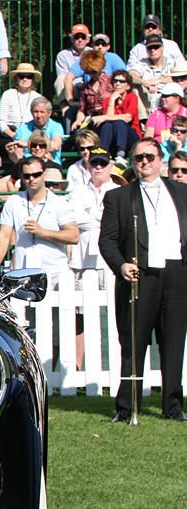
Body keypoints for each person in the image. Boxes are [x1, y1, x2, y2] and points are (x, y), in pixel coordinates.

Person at [99, 137, 187, 422]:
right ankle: (127, 408)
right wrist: (121, 265)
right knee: (133, 343)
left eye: (150, 156)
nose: (145, 162)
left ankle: (174, 407)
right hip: (139, 274)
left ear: (160, 160)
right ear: (133, 163)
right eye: (138, 158)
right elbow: (107, 241)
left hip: (176, 273)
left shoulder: (183, 192)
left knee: (174, 343)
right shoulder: (118, 197)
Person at [68, 148, 120, 368]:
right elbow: (75, 218)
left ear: (110, 166)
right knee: (80, 316)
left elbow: (115, 222)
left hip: (110, 263)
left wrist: (91, 214)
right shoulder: (77, 191)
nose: (98, 167)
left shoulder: (117, 190)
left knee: (111, 315)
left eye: (103, 163)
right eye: (95, 163)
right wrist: (100, 217)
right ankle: (82, 367)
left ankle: (111, 366)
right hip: (82, 263)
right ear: (88, 166)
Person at [0, 156, 79, 278]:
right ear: (21, 177)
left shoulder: (59, 203)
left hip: (54, 273)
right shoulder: (13, 201)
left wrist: (42, 232)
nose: (31, 179)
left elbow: (74, 236)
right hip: (22, 273)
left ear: (45, 175)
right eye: (26, 176)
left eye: (36, 175)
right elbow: (3, 238)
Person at [55, 23, 93, 127]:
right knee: (60, 79)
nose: (80, 40)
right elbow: (65, 78)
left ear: (88, 40)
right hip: (72, 88)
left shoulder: (93, 53)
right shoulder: (63, 55)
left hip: (90, 87)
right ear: (72, 39)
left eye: (83, 37)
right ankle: (65, 108)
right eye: (77, 37)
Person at [0, 63, 43, 146]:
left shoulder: (38, 97)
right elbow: (1, 122)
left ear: (32, 79)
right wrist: (13, 135)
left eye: (28, 77)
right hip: (10, 134)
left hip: (31, 134)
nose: (25, 79)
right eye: (21, 76)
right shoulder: (8, 94)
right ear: (17, 79)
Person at [8, 97, 64, 164]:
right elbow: (18, 155)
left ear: (49, 113)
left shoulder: (56, 126)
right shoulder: (22, 128)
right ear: (31, 112)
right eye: (36, 112)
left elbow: (55, 145)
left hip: (50, 166)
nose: (39, 115)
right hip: (28, 166)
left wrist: (28, 144)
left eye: (42, 112)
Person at [131, 34, 174, 114]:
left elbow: (178, 78)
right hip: (148, 100)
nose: (153, 50)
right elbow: (131, 75)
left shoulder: (171, 63)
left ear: (162, 48)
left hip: (167, 98)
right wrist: (144, 83)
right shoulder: (142, 63)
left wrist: (158, 81)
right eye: (150, 48)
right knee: (136, 88)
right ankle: (144, 121)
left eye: (156, 47)